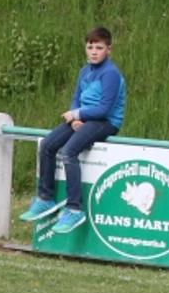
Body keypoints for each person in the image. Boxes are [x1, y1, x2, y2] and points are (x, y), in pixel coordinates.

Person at [18, 25, 126, 235]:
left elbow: (105, 108)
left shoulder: (111, 74)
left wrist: (78, 114)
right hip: (84, 118)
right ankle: (45, 198)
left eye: (99, 48)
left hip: (105, 122)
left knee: (69, 152)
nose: (94, 52)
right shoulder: (84, 71)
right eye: (90, 47)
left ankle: (75, 209)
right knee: (47, 145)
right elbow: (76, 99)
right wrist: (76, 116)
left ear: (109, 50)